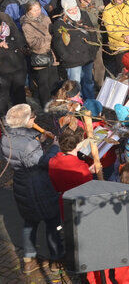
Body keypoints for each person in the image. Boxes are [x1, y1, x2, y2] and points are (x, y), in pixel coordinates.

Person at [1, 104, 62, 274]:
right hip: (38, 185)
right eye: (32, 117)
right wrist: (54, 147)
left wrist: (38, 141)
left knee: (30, 222)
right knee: (52, 222)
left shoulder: (5, 138)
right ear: (25, 121)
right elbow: (43, 162)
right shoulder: (28, 145)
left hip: (21, 183)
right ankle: (56, 260)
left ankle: (28, 260)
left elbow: (21, 154)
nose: (35, 118)